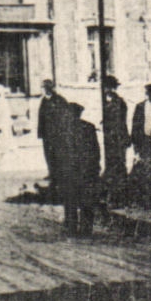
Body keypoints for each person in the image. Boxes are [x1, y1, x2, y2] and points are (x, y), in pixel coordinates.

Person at [59, 101, 100, 236]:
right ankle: (86, 229)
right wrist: (95, 167)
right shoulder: (89, 127)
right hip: (86, 170)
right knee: (86, 200)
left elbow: (59, 152)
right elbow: (96, 150)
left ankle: (72, 229)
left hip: (70, 170)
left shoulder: (64, 129)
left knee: (71, 200)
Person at [100, 75, 130, 206]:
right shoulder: (105, 102)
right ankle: (110, 195)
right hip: (109, 140)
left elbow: (119, 122)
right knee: (111, 166)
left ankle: (119, 197)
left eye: (108, 87)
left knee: (118, 166)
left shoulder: (119, 102)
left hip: (118, 139)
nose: (106, 89)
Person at [130, 83, 151, 206]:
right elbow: (135, 127)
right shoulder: (140, 107)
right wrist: (136, 147)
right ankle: (146, 201)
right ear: (147, 94)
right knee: (146, 170)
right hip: (145, 141)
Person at [36, 79, 69, 184]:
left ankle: (59, 173)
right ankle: (51, 172)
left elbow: (65, 115)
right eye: (43, 88)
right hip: (47, 133)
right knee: (48, 153)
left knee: (58, 152)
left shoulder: (59, 100)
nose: (43, 90)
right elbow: (41, 117)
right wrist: (40, 132)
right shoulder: (44, 100)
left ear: (50, 88)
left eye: (45, 88)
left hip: (57, 133)